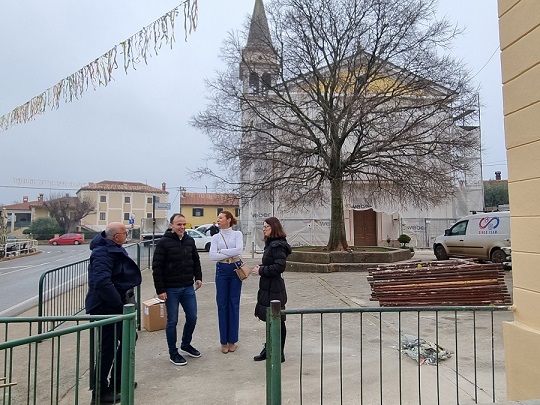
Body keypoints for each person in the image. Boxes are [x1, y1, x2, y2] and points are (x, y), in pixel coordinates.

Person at [85, 222, 142, 404]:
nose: (127, 235)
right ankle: (101, 393)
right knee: (107, 349)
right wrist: (119, 305)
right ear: (116, 236)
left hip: (117, 305)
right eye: (125, 233)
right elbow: (102, 282)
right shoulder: (102, 252)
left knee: (128, 339)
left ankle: (118, 382)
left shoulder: (112, 247)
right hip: (105, 307)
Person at [152, 213, 203, 366]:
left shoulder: (189, 240)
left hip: (188, 287)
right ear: (171, 225)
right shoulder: (163, 243)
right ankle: (173, 352)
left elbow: (195, 260)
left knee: (192, 317)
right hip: (171, 289)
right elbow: (157, 267)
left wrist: (198, 277)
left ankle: (186, 344)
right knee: (172, 321)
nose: (181, 227)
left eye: (184, 224)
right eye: (178, 224)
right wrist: (160, 289)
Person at [251, 217, 291, 363]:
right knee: (269, 318)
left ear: (274, 227)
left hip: (274, 287)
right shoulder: (271, 244)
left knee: (278, 320)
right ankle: (269, 348)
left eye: (267, 226)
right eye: (263, 226)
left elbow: (280, 266)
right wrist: (261, 268)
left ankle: (279, 352)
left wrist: (262, 270)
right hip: (268, 285)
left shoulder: (277, 245)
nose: (264, 229)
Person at [209, 210, 244, 353]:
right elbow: (212, 256)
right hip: (222, 270)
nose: (218, 220)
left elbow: (239, 250)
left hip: (235, 269)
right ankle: (223, 340)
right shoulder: (215, 237)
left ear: (229, 219)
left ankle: (232, 340)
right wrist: (230, 252)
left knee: (233, 303)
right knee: (222, 304)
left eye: (221, 217)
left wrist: (221, 252)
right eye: (218, 217)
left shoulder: (237, 234)